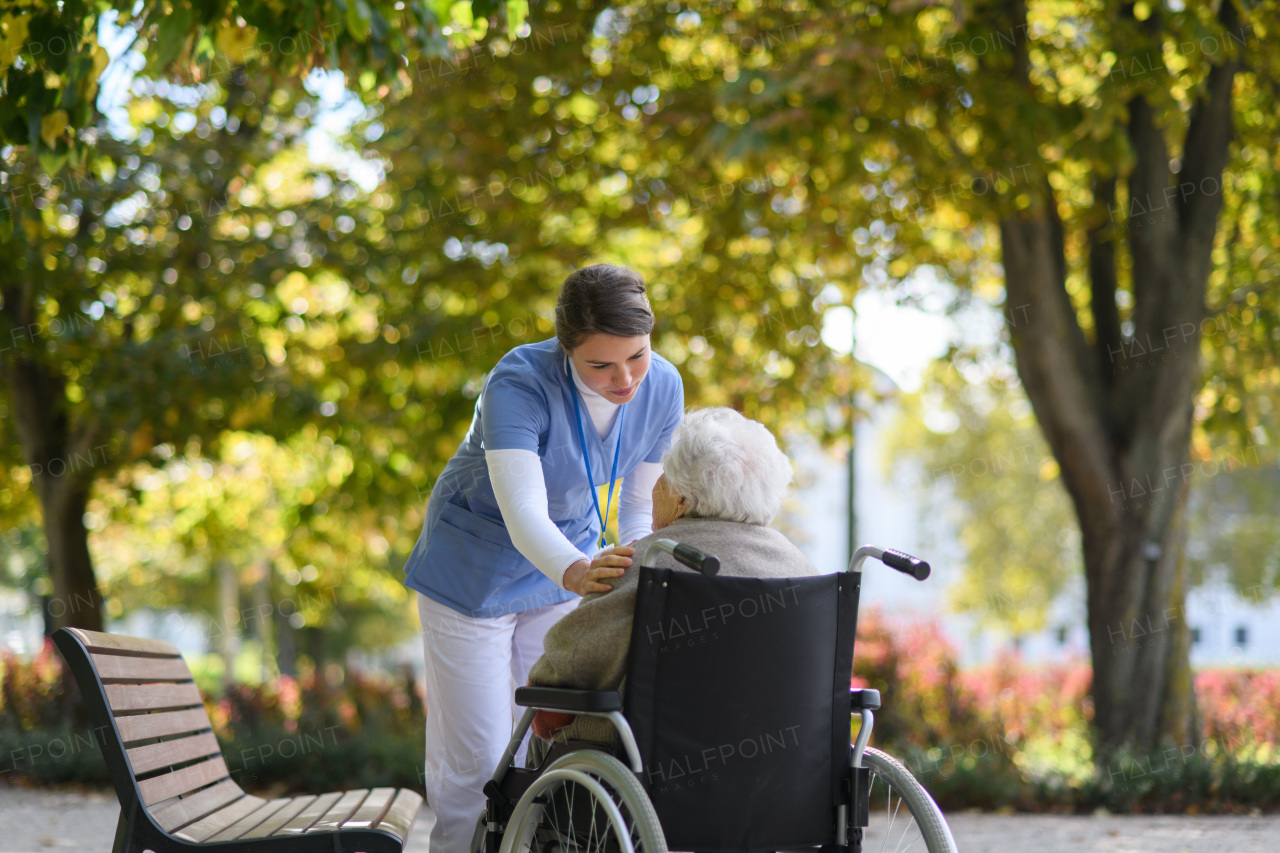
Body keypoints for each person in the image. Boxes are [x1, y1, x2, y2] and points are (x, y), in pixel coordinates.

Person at [402, 263, 684, 852]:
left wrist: (630, 559)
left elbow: (638, 503)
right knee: (477, 763)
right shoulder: (519, 381)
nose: (626, 379)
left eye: (637, 355)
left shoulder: (664, 386)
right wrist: (578, 569)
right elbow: (523, 510)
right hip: (472, 575)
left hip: (561, 572)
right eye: (600, 365)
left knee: (554, 741)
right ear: (565, 350)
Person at [525, 407, 819, 759]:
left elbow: (551, 701)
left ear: (680, 496)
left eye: (662, 476)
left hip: (650, 778)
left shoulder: (641, 565)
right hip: (779, 776)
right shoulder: (803, 572)